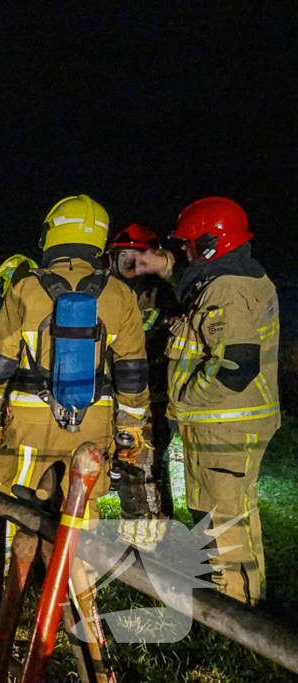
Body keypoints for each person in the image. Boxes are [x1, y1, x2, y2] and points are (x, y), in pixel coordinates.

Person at [0, 195, 149, 637]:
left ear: (53, 233)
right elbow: (131, 371)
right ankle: (78, 602)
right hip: (92, 425)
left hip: (30, 421)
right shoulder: (120, 294)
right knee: (80, 509)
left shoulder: (26, 288)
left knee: (10, 499)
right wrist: (130, 427)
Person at [136, 197, 279, 605]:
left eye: (189, 244)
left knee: (223, 517)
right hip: (230, 421)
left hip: (224, 422)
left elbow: (236, 367)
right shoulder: (238, 276)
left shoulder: (226, 290)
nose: (183, 250)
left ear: (212, 243)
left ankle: (235, 609)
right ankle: (241, 596)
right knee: (228, 511)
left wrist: (185, 398)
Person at [107, 224, 178, 544]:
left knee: (144, 463)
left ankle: (149, 539)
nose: (131, 264)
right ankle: (145, 532)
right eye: (124, 258)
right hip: (124, 392)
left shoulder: (164, 293)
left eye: (137, 257)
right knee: (130, 460)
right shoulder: (112, 292)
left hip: (154, 393)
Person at [0, 254, 37, 354]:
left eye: (0, 282)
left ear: (9, 278)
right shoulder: (41, 299)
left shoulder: (14, 304)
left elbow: (4, 345)